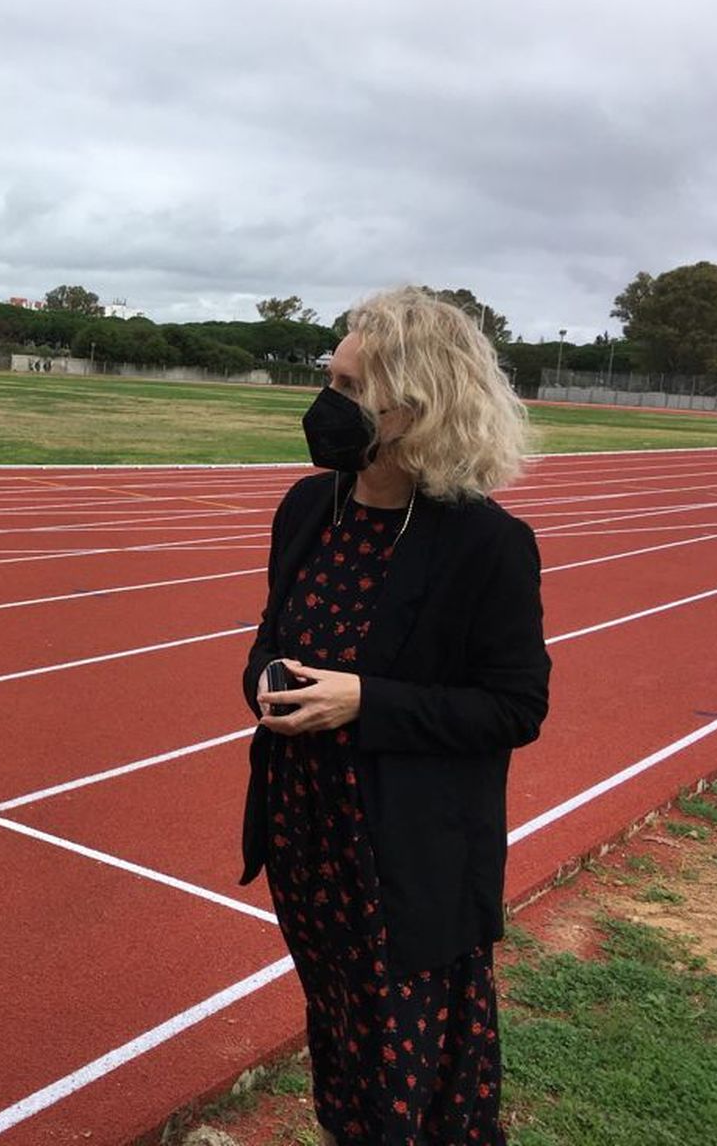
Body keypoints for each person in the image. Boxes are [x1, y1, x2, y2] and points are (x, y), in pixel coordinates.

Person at [238, 286, 550, 1145]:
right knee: (340, 1036)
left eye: (350, 387)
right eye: (330, 378)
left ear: (415, 408)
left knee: (410, 1061)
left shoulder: (486, 544)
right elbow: (270, 635)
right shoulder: (310, 507)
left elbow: (516, 706)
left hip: (406, 856)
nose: (326, 402)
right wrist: (265, 681)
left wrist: (364, 700)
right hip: (305, 834)